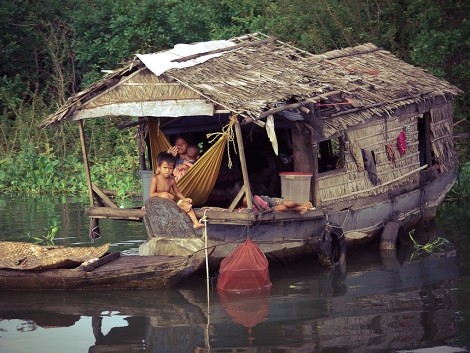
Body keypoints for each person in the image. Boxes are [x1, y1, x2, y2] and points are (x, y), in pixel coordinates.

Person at [149, 152, 203, 229]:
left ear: (173, 168)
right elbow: (151, 194)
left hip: (170, 202)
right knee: (165, 195)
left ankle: (196, 223)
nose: (167, 170)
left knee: (187, 204)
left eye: (170, 168)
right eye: (165, 168)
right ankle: (181, 209)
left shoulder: (172, 180)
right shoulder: (155, 178)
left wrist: (184, 199)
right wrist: (163, 193)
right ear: (159, 167)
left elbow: (177, 192)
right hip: (159, 203)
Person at [243, 195, 314, 215]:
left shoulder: (256, 198)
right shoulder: (244, 209)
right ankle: (299, 208)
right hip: (267, 210)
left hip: (268, 203)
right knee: (281, 208)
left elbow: (267, 208)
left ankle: (301, 205)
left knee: (289, 203)